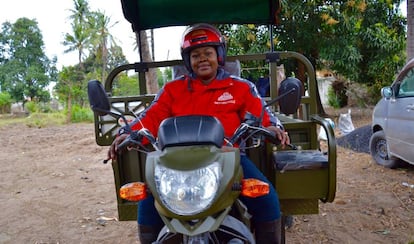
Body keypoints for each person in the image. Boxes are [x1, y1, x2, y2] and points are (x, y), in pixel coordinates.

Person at [108, 23, 290, 244]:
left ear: (219, 55)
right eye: (195, 55)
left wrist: (273, 128)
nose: (202, 59)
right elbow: (151, 117)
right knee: (148, 203)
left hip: (227, 160)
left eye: (208, 53)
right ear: (188, 61)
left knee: (267, 198)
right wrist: (127, 133)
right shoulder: (173, 90)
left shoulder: (239, 87)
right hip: (175, 164)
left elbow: (261, 113)